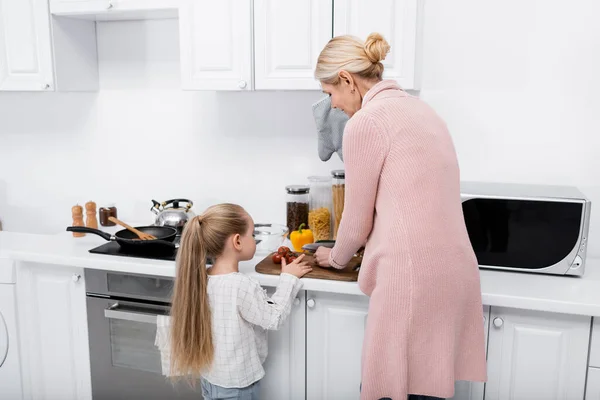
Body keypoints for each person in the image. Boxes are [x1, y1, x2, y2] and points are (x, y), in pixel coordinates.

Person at [313, 33, 487, 400]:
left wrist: (335, 257)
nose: (334, 106)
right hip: (455, 272)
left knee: (389, 389)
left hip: (411, 276)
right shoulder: (423, 110)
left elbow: (356, 221)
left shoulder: (366, 123)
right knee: (429, 387)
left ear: (347, 79)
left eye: (330, 95)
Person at [168, 203, 312, 400]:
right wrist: (289, 279)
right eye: (252, 235)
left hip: (210, 380)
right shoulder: (240, 285)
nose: (254, 239)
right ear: (237, 241)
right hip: (236, 389)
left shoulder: (202, 278)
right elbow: (273, 318)